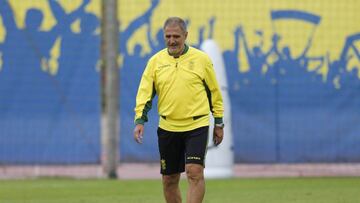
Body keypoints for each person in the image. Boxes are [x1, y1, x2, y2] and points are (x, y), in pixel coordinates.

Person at [133, 17, 225, 203]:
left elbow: (214, 92)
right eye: (168, 36)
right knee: (169, 179)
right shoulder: (155, 62)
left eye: (176, 36)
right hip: (168, 127)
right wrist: (140, 121)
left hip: (196, 125)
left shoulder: (201, 60)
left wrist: (219, 122)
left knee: (194, 172)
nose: (172, 40)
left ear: (185, 36)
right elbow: (145, 93)